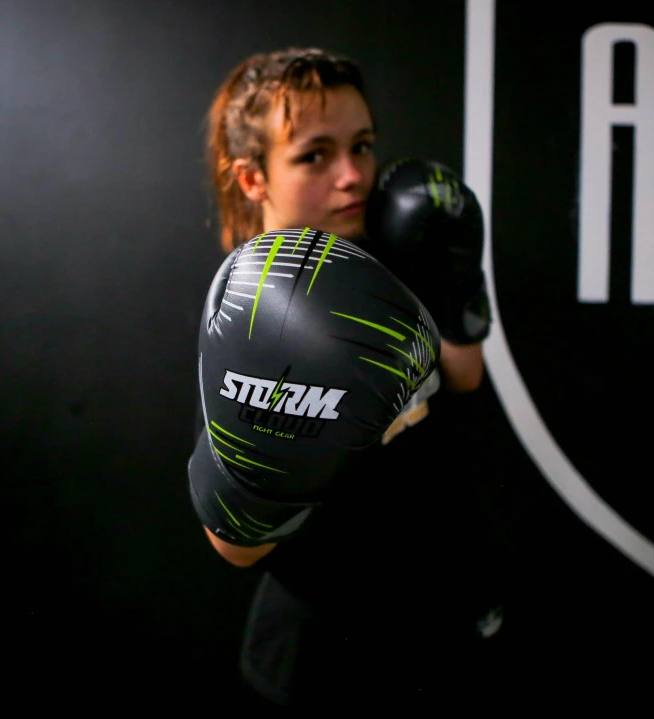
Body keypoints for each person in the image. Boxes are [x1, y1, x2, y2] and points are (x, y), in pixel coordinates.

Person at [193, 47, 500, 707]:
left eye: (361, 146)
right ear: (253, 177)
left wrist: (452, 271)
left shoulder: (387, 263)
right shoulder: (256, 315)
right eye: (315, 156)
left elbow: (465, 376)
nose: (354, 175)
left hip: (433, 626)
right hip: (328, 655)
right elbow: (234, 543)